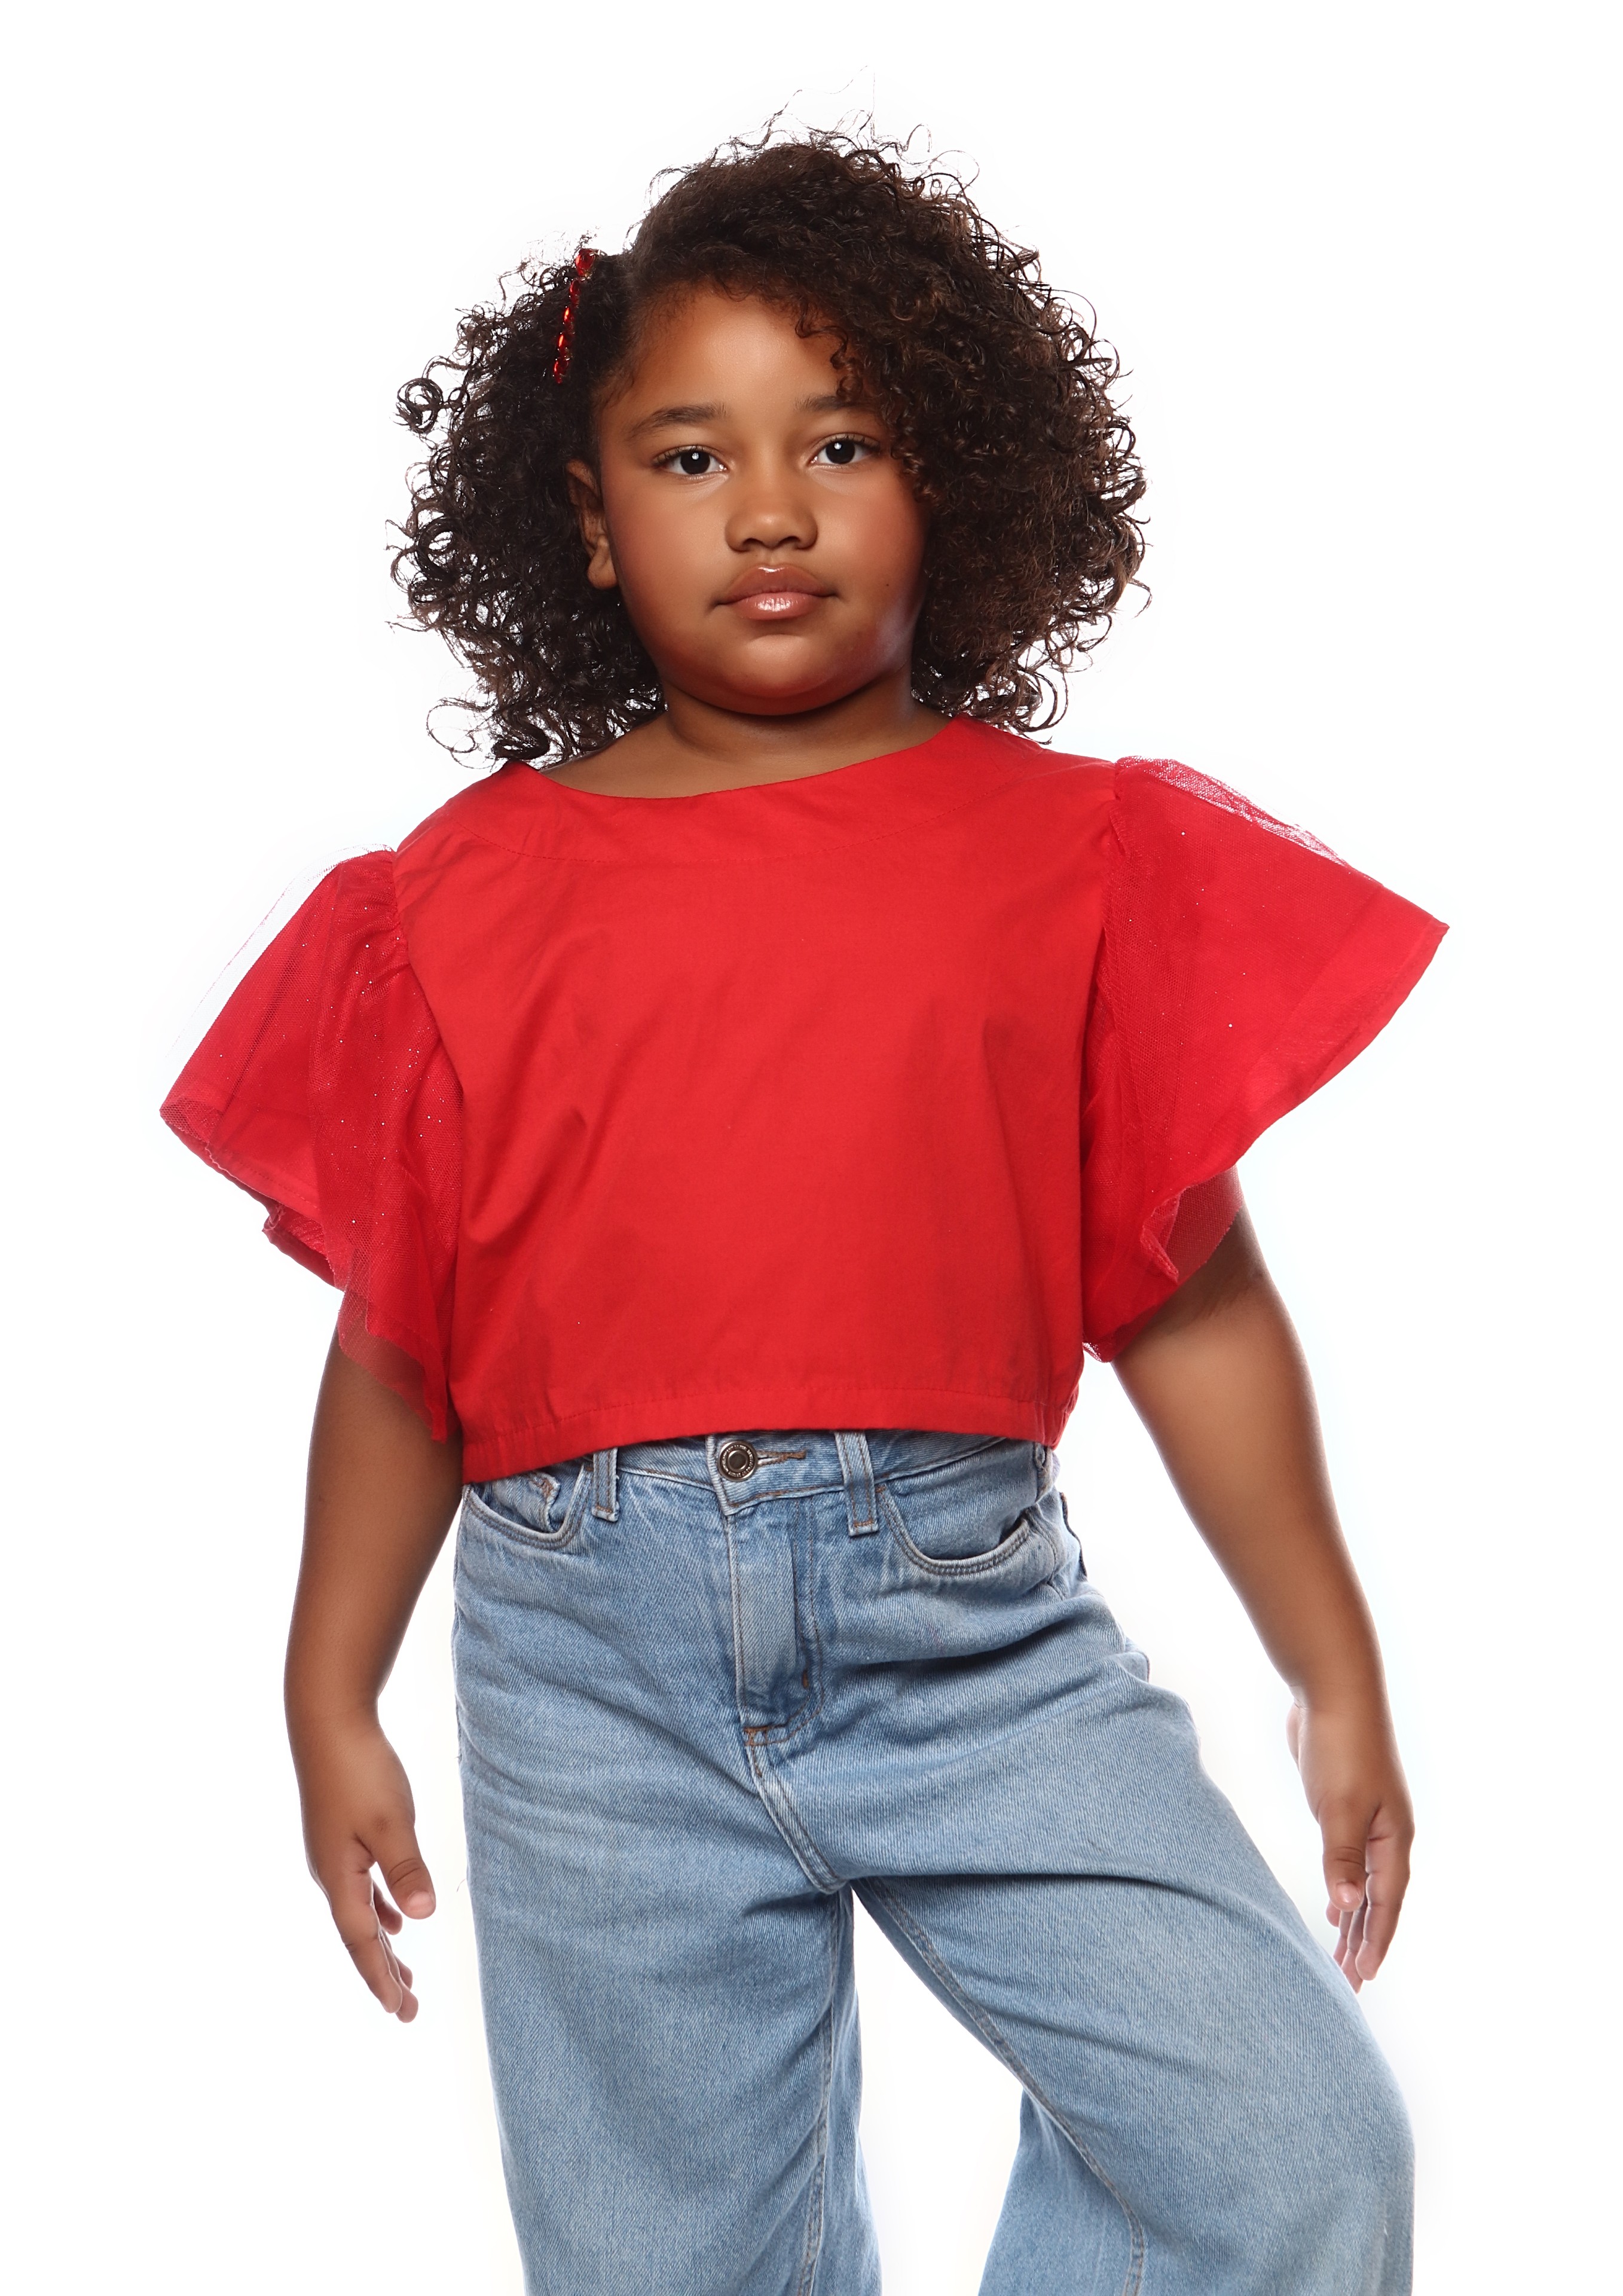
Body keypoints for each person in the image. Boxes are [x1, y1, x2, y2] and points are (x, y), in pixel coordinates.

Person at [162, 130, 1445, 2295]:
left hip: (973, 1640)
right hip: (584, 1677)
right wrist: (327, 1681)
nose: (769, 510)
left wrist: (1330, 1667)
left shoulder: (1073, 860)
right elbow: (401, 1336)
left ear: (953, 477)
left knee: (1286, 2153)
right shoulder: (454, 901)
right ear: (589, 517)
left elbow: (1191, 1300)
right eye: (691, 458)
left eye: (838, 443)